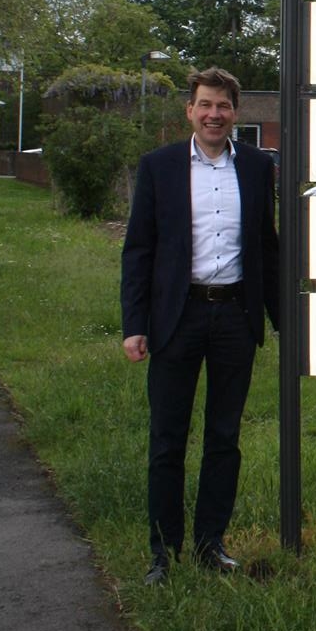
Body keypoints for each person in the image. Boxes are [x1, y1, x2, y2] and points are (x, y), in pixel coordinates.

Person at [121, 67, 280, 585]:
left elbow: (267, 247)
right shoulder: (159, 167)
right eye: (205, 105)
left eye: (224, 106)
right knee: (167, 439)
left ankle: (211, 544)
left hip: (235, 316)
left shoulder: (257, 167)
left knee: (224, 437)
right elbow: (139, 251)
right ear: (189, 111)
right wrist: (134, 324)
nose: (215, 114)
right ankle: (163, 554)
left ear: (236, 113)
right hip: (177, 317)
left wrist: (281, 321)